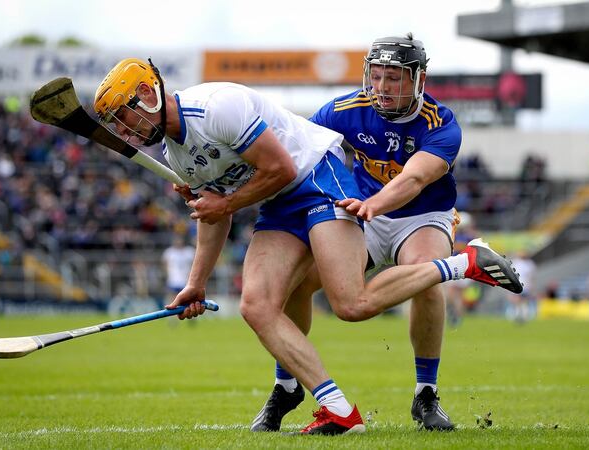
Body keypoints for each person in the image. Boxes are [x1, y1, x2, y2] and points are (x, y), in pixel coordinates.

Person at [93, 57, 520, 435]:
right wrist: (196, 282)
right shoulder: (177, 156)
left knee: (351, 304)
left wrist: (224, 201)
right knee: (256, 304)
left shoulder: (215, 107)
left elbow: (278, 169)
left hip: (318, 182)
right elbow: (215, 214)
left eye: (123, 117)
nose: (124, 131)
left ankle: (463, 265)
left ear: (147, 95)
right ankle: (334, 408)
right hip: (279, 202)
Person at [251, 34, 523, 433]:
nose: (381, 88)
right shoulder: (344, 109)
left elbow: (414, 180)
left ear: (419, 79)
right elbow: (299, 150)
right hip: (363, 212)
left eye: (393, 78)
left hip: (422, 215)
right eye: (376, 77)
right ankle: (286, 385)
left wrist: (374, 205)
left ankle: (426, 394)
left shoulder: (441, 123)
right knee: (298, 283)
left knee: (425, 277)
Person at [506, 249, 537, 324]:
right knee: (519, 301)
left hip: (525, 285)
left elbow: (532, 277)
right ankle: (520, 316)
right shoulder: (518, 263)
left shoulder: (529, 264)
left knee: (521, 301)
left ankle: (521, 316)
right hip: (519, 285)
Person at [161, 235, 196, 300]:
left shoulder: (189, 251)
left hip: (186, 280)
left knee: (186, 299)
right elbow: (165, 264)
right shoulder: (169, 252)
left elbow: (195, 263)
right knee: (172, 298)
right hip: (173, 279)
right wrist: (168, 274)